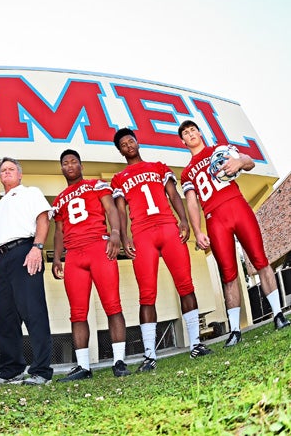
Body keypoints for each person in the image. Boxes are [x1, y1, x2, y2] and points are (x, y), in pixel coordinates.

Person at [178, 120, 290, 346]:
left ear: (199, 133)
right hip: (214, 217)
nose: (190, 134)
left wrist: (238, 162)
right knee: (228, 275)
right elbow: (191, 202)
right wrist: (198, 231)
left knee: (261, 261)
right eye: (186, 133)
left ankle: (278, 314)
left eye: (193, 130)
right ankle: (235, 330)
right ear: (182, 141)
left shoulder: (220, 149)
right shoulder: (187, 172)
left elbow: (249, 162)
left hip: (238, 206)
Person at [111, 128, 212, 371]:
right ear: (120, 150)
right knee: (147, 294)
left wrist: (184, 220)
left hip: (167, 227)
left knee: (185, 285)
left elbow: (173, 194)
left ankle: (196, 344)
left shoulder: (158, 166)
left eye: (131, 140)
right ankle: (150, 355)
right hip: (143, 233)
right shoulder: (119, 178)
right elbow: (120, 210)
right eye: (123, 144)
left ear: (137, 141)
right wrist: (125, 237)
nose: (129, 145)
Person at [52, 149, 131, 381]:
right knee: (77, 313)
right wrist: (57, 257)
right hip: (74, 254)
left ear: (81, 165)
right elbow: (58, 231)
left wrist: (115, 233)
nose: (69, 166)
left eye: (73, 161)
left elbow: (110, 209)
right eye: (65, 163)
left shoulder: (96, 185)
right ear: (62, 168)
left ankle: (119, 360)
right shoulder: (59, 199)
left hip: (98, 246)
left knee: (112, 305)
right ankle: (83, 367)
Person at [0, 157, 53, 385]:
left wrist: (37, 248)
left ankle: (41, 371)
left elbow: (43, 219)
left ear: (20, 174)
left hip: (25, 251)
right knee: (4, 317)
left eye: (11, 169)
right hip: (1, 260)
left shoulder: (31, 192)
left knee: (33, 312)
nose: (7, 172)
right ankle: (11, 370)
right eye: (3, 170)